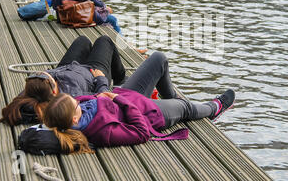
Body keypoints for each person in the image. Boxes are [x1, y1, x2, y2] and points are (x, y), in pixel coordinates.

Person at [32, 52, 235, 153]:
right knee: (185, 107)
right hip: (148, 113)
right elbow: (141, 133)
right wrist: (118, 99)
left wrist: (103, 85)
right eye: (76, 104)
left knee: (158, 59)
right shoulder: (103, 131)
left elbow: (95, 96)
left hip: (127, 95)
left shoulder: (75, 109)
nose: (79, 101)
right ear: (74, 119)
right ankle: (213, 108)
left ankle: (171, 99)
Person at [0, 35, 126, 126]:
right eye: (51, 78)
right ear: (54, 91)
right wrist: (101, 79)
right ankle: (121, 79)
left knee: (83, 40)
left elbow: (23, 102)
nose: (49, 74)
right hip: (92, 73)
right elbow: (103, 98)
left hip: (68, 68)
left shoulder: (34, 93)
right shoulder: (72, 98)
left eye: (47, 74)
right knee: (104, 40)